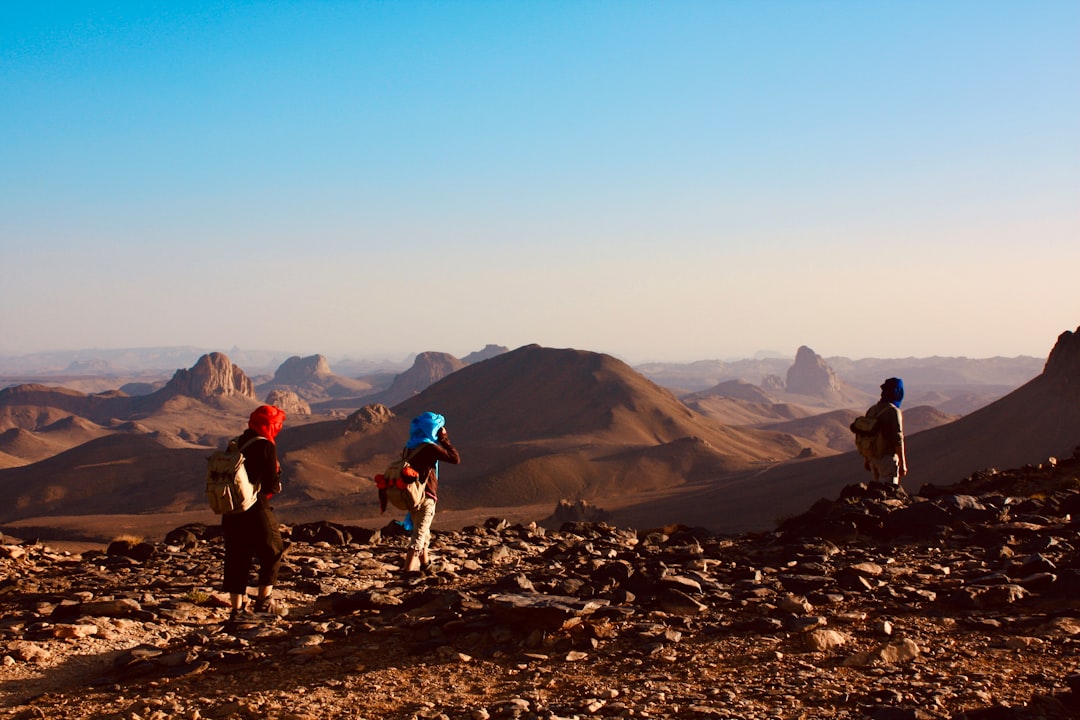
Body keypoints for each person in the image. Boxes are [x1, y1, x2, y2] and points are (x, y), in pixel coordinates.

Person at [222, 404, 288, 621]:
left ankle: (237, 611)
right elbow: (271, 484)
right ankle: (264, 603)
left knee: (237, 556)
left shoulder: (236, 443)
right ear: (271, 425)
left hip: (231, 509)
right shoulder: (265, 445)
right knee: (273, 550)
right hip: (255, 507)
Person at [401, 411, 460, 573]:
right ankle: (407, 571)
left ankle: (426, 565)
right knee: (419, 535)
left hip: (412, 495)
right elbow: (455, 458)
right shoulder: (429, 447)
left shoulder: (410, 446)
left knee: (423, 531)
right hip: (425, 496)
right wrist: (444, 439)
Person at [859, 377, 908, 486]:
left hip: (873, 458)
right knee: (889, 490)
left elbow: (867, 435)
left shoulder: (872, 410)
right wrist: (903, 463)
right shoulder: (893, 411)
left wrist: (867, 459)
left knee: (877, 490)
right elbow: (898, 439)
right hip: (887, 459)